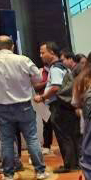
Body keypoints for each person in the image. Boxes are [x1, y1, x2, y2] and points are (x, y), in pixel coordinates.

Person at [0, 36, 49, 180]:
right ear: (12, 47)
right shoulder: (23, 60)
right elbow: (38, 78)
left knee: (6, 141)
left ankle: (9, 174)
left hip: (2, 107)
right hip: (24, 106)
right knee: (32, 138)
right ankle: (40, 171)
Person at [35, 42, 80, 173]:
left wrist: (42, 97)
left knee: (63, 135)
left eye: (43, 52)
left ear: (52, 52)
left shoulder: (55, 69)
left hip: (59, 105)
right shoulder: (63, 66)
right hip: (66, 105)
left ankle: (69, 164)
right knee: (70, 134)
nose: (41, 55)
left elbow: (56, 87)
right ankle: (74, 163)